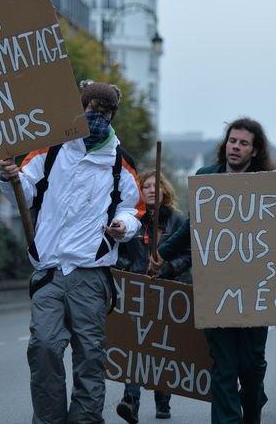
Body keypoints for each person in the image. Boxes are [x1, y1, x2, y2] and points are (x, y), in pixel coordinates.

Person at [0, 81, 143, 424]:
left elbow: (133, 208)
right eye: (91, 109)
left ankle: (85, 419)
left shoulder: (120, 162)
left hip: (91, 275)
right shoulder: (49, 150)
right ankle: (49, 420)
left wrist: (123, 226)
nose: (97, 117)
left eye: (104, 112)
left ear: (113, 114)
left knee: (90, 356)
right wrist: (10, 177)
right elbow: (25, 193)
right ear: (80, 108)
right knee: (43, 347)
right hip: (49, 271)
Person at [153, 117, 276, 424]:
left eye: (243, 143)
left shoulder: (269, 183)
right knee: (223, 366)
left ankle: (253, 408)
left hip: (255, 290)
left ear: (255, 150)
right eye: (232, 141)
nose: (236, 147)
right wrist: (161, 253)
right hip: (215, 287)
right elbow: (192, 227)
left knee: (252, 366)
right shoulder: (206, 177)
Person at [115, 170, 186, 423]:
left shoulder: (177, 220)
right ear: (139, 192)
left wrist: (167, 269)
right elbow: (115, 251)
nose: (152, 189)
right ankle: (130, 401)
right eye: (146, 186)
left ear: (165, 190)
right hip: (136, 290)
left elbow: (189, 253)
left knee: (161, 346)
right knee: (134, 346)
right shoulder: (130, 220)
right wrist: (130, 269)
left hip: (167, 289)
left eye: (157, 185)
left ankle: (163, 399)